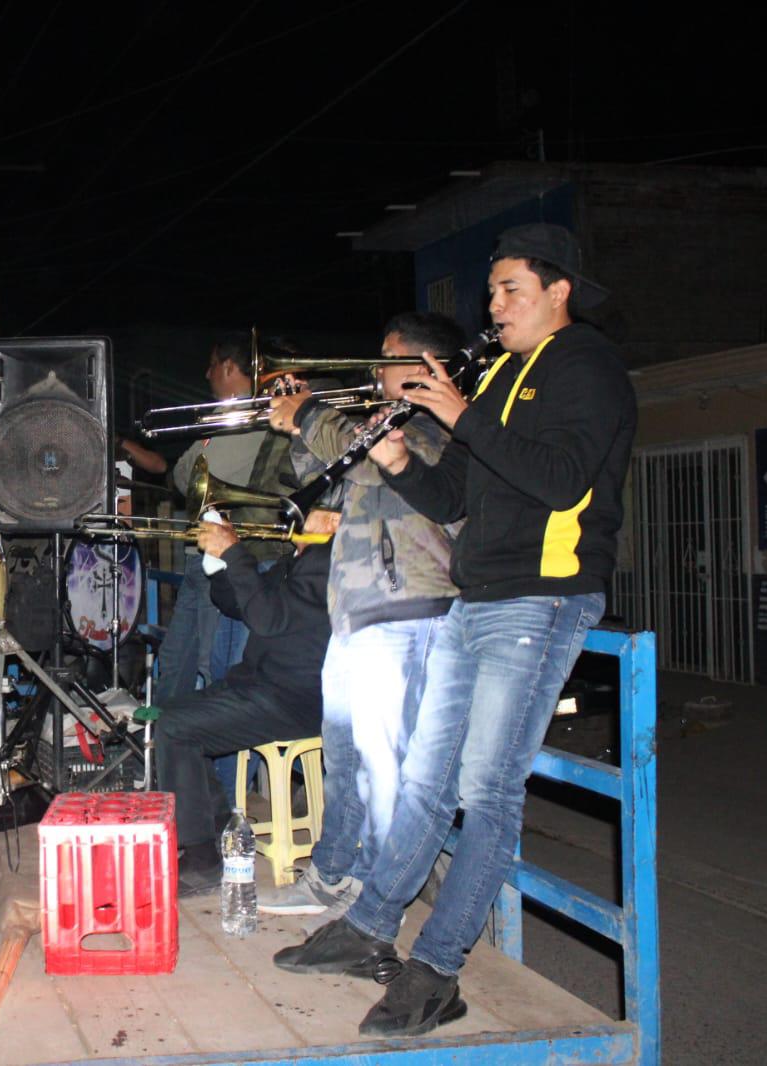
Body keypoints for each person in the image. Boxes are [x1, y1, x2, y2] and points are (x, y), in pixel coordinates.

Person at [273, 223, 636, 1039]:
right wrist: (402, 462)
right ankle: (369, 929)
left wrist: (463, 415)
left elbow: (558, 478)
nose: (493, 305)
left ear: (557, 290)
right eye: (492, 291)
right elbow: (457, 500)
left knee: (484, 789)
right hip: (477, 596)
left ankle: (435, 971)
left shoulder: (587, 367)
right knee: (428, 779)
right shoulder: (506, 372)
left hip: (542, 596)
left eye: (508, 289)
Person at [257, 313, 464, 926]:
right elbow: (315, 484)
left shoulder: (437, 426)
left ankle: (374, 894)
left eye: (388, 358)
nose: (374, 370)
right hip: (357, 611)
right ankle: (333, 874)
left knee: (383, 769)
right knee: (343, 759)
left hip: (406, 610)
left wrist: (311, 414)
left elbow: (387, 463)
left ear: (426, 368)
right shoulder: (373, 426)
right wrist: (298, 429)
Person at [155, 511, 335, 896]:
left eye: (313, 513)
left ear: (335, 522)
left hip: (291, 699)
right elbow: (240, 607)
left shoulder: (329, 564)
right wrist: (218, 566)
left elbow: (267, 620)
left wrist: (235, 551)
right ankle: (219, 831)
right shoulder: (295, 563)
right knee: (169, 715)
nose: (298, 519)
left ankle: (201, 857)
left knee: (175, 728)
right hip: (260, 686)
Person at [121, 334, 299, 699]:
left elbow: (191, 476)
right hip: (201, 556)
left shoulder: (249, 415)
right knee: (175, 661)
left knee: (209, 663)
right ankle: (168, 744)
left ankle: (206, 748)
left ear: (230, 367)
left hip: (224, 557)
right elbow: (182, 472)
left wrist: (192, 463)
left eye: (213, 364)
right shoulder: (228, 415)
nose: (207, 373)